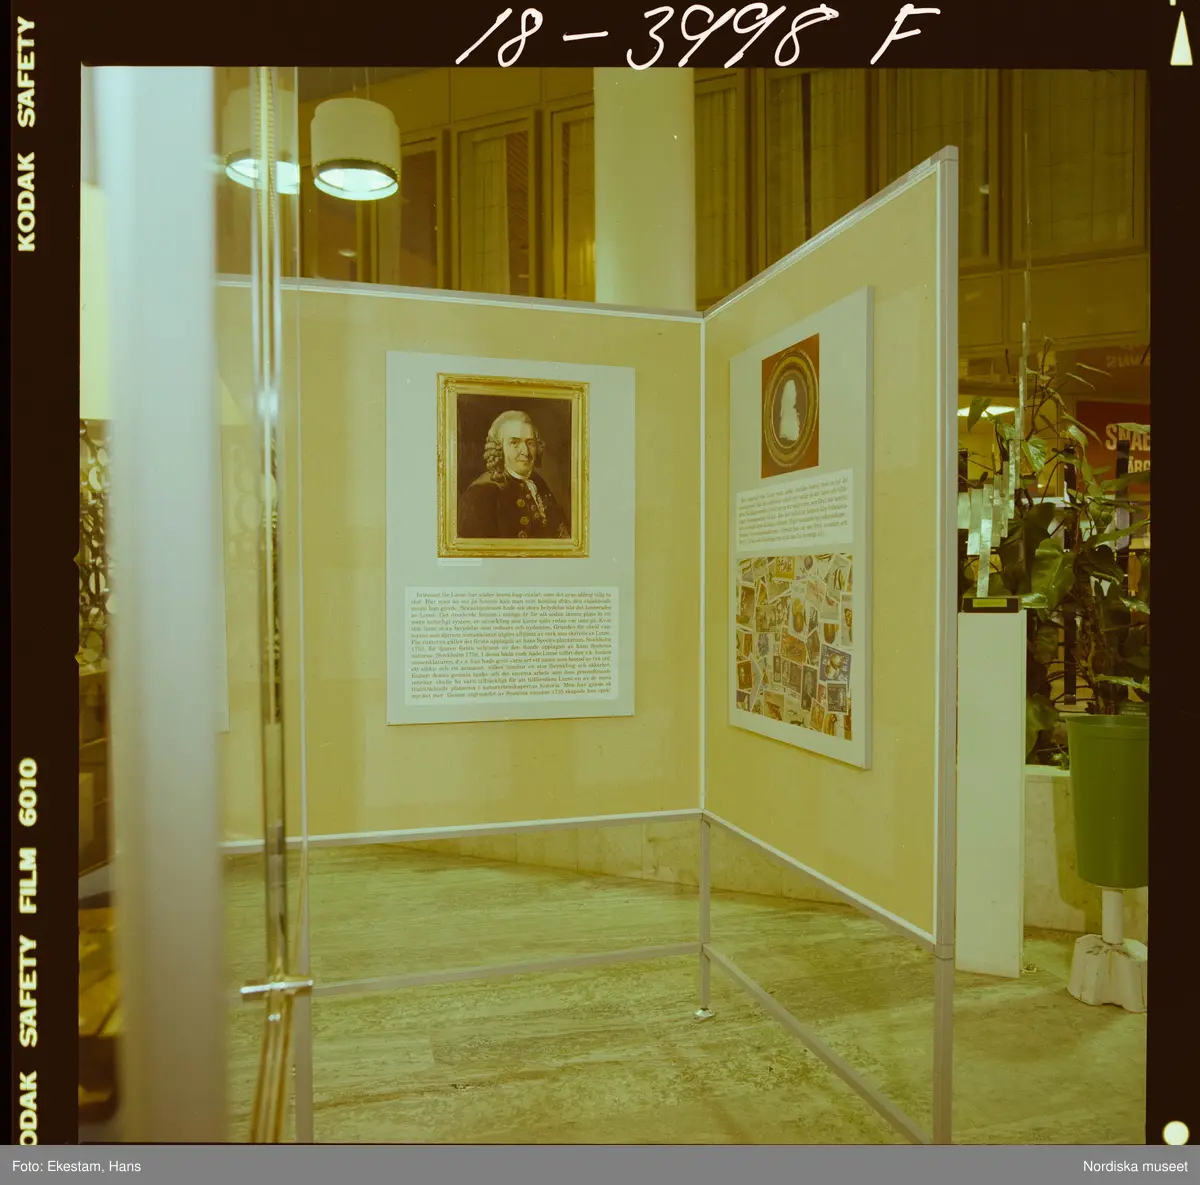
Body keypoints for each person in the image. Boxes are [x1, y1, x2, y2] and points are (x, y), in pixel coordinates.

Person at [458, 410, 569, 540]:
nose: (525, 452)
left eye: (530, 443)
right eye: (514, 442)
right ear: (499, 448)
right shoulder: (481, 492)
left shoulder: (538, 483)